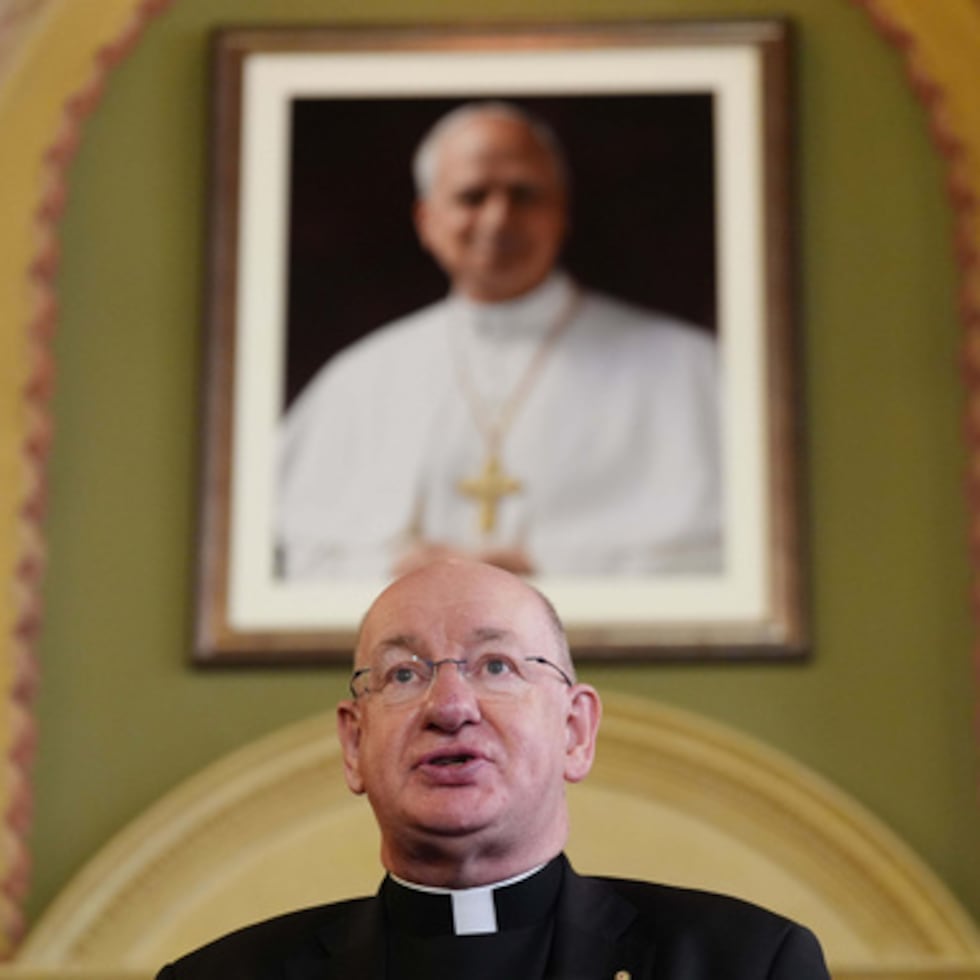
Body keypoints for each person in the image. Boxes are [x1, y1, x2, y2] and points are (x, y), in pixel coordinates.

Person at [156, 559, 830, 979]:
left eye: (497, 666)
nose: (449, 707)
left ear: (575, 730)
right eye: (403, 673)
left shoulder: (743, 963)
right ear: (353, 743)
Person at [276, 101, 723, 580]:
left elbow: (728, 558)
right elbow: (287, 559)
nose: (498, 219)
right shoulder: (358, 379)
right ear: (427, 220)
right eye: (472, 196)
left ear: (561, 213)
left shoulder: (689, 368)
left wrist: (547, 569)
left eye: (524, 195)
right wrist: (397, 571)